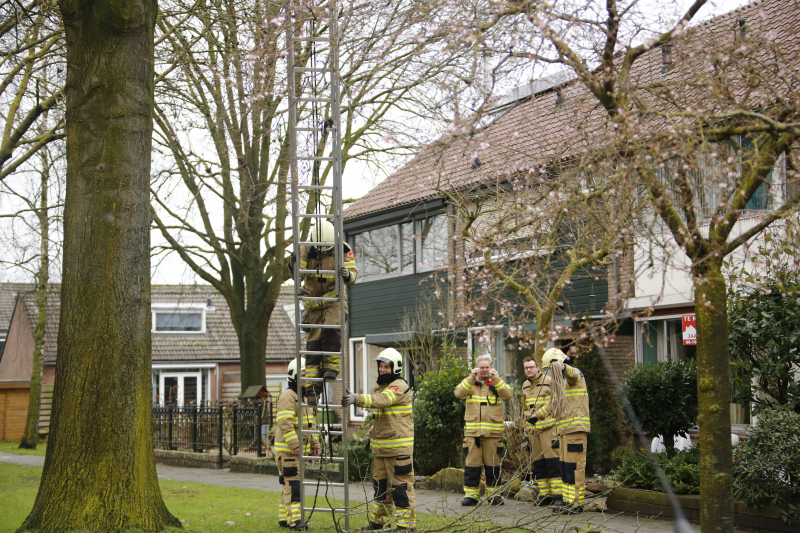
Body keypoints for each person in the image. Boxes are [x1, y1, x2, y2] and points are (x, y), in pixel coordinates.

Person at [342, 348, 415, 531]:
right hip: (382, 450)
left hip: (398, 451)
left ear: (395, 368)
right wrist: (370, 435)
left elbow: (383, 401)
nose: (382, 370)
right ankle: (379, 522)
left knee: (401, 488)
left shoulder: (398, 386)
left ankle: (406, 525)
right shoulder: (385, 387)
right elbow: (385, 419)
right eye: (381, 366)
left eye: (386, 367)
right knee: (381, 488)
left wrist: (355, 398)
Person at [288, 220, 358, 405]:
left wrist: (347, 276)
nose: (324, 252)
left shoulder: (343, 249)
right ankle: (312, 391)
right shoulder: (305, 249)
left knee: (332, 331)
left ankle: (331, 370)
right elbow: (299, 275)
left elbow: (353, 274)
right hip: (312, 305)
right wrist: (292, 266)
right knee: (313, 348)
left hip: (334, 301)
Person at [531, 348, 590, 514]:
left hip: (575, 429)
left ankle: (576, 504)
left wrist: (562, 367)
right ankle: (567, 501)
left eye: (550, 369)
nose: (550, 373)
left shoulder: (574, 375)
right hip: (564, 430)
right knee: (565, 468)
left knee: (574, 467)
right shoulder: (562, 383)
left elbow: (573, 373)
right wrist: (536, 417)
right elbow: (552, 403)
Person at [454, 353, 513, 506]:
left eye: (487, 367)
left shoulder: (496, 382)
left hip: (493, 434)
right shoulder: (469, 383)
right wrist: (471, 378)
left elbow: (508, 395)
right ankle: (471, 496)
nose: (485, 370)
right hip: (473, 435)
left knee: (493, 466)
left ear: (491, 368)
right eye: (482, 367)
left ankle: (494, 495)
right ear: (476, 368)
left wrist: (497, 379)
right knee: (472, 466)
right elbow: (458, 393)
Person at [274, 357, 321, 530]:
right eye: (303, 374)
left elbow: (311, 423)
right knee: (293, 485)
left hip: (294, 450)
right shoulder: (288, 396)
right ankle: (296, 521)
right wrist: (295, 445)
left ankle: (284, 518)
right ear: (294, 376)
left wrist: (315, 443)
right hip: (287, 451)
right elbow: (284, 423)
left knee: (288, 483)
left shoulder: (304, 397)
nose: (307, 378)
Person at [521, 355, 560, 506]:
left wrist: (541, 416)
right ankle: (545, 495)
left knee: (553, 462)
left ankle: (558, 495)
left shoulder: (549, 382)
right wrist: (525, 428)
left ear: (538, 368)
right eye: (526, 368)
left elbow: (555, 402)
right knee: (539, 464)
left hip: (548, 429)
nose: (529, 370)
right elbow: (525, 408)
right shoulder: (524, 385)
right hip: (533, 432)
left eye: (531, 367)